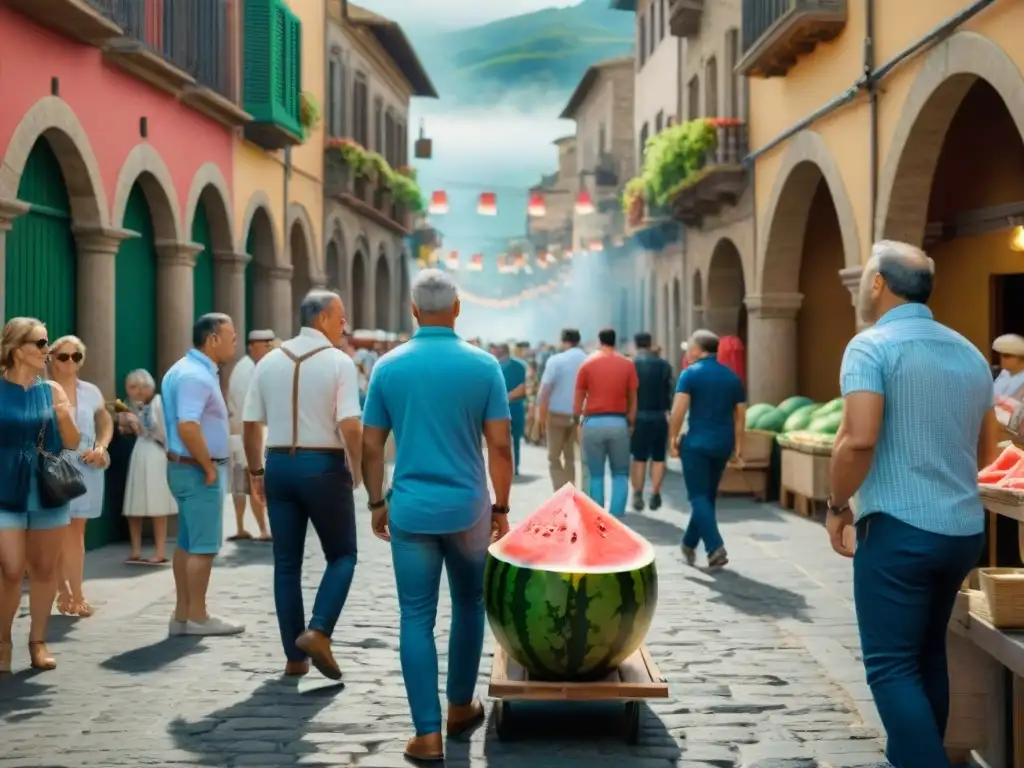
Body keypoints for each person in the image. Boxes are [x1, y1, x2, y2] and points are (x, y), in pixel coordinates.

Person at [826, 241, 997, 768]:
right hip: (963, 530)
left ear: (878, 284)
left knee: (891, 667)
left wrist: (836, 505)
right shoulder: (968, 350)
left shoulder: (870, 347)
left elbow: (858, 439)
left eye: (863, 279)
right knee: (925, 658)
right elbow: (987, 453)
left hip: (899, 530)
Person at [361, 269, 513, 762]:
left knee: (415, 616)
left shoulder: (388, 367)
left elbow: (370, 446)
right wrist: (502, 505)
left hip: (410, 508)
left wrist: (376, 501)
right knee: (468, 605)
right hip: (468, 507)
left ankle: (426, 735)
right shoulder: (484, 366)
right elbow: (500, 446)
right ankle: (460, 708)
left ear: (412, 310)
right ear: (457, 309)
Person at [243, 289, 362, 679]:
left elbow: (250, 424)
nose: (344, 325)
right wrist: (358, 465)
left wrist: (255, 473)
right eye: (341, 317)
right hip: (323, 464)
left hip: (278, 463)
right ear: (324, 318)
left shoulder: (268, 361)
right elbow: (349, 423)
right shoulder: (339, 363)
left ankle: (294, 659)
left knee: (286, 564)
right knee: (342, 555)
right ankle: (319, 630)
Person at [0, 317, 79, 672]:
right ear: (16, 349)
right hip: (4, 488)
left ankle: (38, 641)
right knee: (12, 568)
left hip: (46, 488)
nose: (47, 350)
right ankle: (2, 643)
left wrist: (63, 414)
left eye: (47, 343)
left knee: (45, 569)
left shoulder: (52, 391)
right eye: (40, 343)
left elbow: (74, 444)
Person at [162, 312, 242, 637]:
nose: (234, 342)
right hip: (196, 469)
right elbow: (188, 425)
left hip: (183, 467)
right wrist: (209, 466)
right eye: (231, 336)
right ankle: (197, 615)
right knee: (203, 546)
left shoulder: (183, 369)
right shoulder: (196, 375)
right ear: (212, 339)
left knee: (187, 542)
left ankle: (182, 615)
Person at [669, 329, 745, 571]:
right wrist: (738, 447)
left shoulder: (689, 374)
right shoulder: (732, 377)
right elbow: (740, 416)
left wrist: (672, 436)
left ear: (697, 350)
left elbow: (679, 409)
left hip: (696, 445)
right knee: (707, 496)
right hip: (723, 444)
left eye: (689, 347)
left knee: (697, 496)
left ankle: (714, 548)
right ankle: (689, 543)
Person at [49, 335, 112, 617]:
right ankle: (64, 590)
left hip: (87, 463)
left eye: (76, 356)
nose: (71, 362)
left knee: (77, 531)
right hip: (54, 463)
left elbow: (105, 418)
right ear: (51, 358)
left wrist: (102, 446)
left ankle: (76, 594)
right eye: (64, 356)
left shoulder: (90, 391)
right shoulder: (42, 390)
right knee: (57, 531)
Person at [574, 328, 638, 517]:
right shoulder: (627, 365)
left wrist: (577, 419)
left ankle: (597, 516)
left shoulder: (587, 364)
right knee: (620, 473)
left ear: (599, 341)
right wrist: (631, 421)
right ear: (615, 341)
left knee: (596, 474)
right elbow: (633, 396)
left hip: (592, 422)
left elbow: (578, 398)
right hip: (618, 422)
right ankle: (617, 515)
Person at [121, 369, 176, 563]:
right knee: (135, 502)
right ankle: (135, 550)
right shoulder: (134, 406)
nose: (138, 391)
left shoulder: (158, 403)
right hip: (140, 451)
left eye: (142, 387)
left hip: (155, 452)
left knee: (156, 502)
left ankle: (160, 551)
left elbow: (162, 432)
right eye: (133, 387)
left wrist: (142, 425)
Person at [227, 329, 274, 542]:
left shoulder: (248, 367)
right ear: (254, 346)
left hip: (242, 435)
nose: (269, 350)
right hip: (247, 435)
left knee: (242, 483)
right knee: (255, 479)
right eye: (267, 346)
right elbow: (252, 414)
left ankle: (241, 527)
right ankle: (263, 529)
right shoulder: (248, 371)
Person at [537, 328, 587, 490]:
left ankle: (560, 491)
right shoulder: (587, 359)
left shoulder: (556, 360)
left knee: (554, 457)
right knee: (571, 457)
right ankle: (571, 488)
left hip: (557, 414)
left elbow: (545, 391)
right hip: (579, 415)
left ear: (563, 341)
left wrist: (541, 416)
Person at [630, 332, 674, 512]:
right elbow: (671, 392)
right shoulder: (664, 365)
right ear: (650, 344)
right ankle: (655, 493)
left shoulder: (631, 365)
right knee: (658, 458)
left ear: (636, 344)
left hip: (639, 416)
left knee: (639, 458)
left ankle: (638, 494)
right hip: (659, 416)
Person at [496, 343, 527, 475]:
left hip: (503, 408)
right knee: (515, 440)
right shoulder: (519, 366)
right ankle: (515, 467)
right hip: (515, 406)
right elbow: (525, 386)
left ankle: (507, 467)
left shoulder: (495, 367)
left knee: (503, 440)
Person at [992, 333, 1024, 399]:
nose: (1002, 359)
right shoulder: (1004, 373)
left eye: (1007, 356)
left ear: (1021, 358)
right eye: (1002, 355)